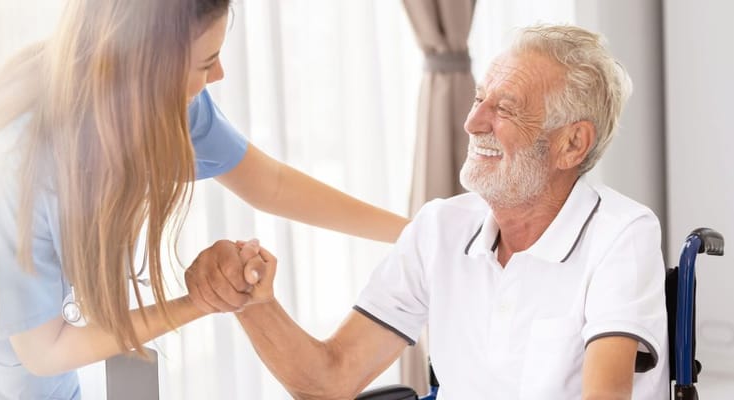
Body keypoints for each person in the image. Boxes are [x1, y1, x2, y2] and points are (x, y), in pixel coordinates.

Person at [0, 0, 408, 399]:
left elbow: (272, 185)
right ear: (143, 66)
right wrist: (200, 301)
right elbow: (45, 350)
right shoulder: (15, 168)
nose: (217, 75)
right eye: (204, 62)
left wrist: (420, 231)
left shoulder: (171, 109)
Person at [199, 24, 670, 399]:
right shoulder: (440, 227)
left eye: (504, 108)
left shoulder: (622, 233)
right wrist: (255, 303)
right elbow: (330, 381)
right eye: (479, 98)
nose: (472, 122)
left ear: (571, 144)